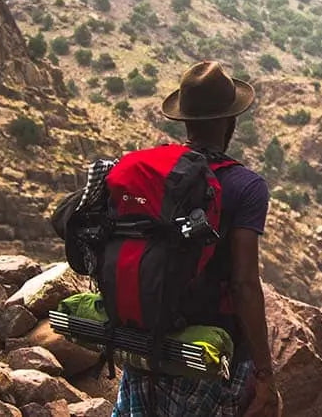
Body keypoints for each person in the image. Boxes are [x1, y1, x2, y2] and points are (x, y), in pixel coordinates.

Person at [111, 61, 281, 417]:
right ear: (230, 121)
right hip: (210, 353)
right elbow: (245, 284)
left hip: (146, 339)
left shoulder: (153, 175)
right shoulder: (246, 187)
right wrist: (266, 376)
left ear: (184, 120)